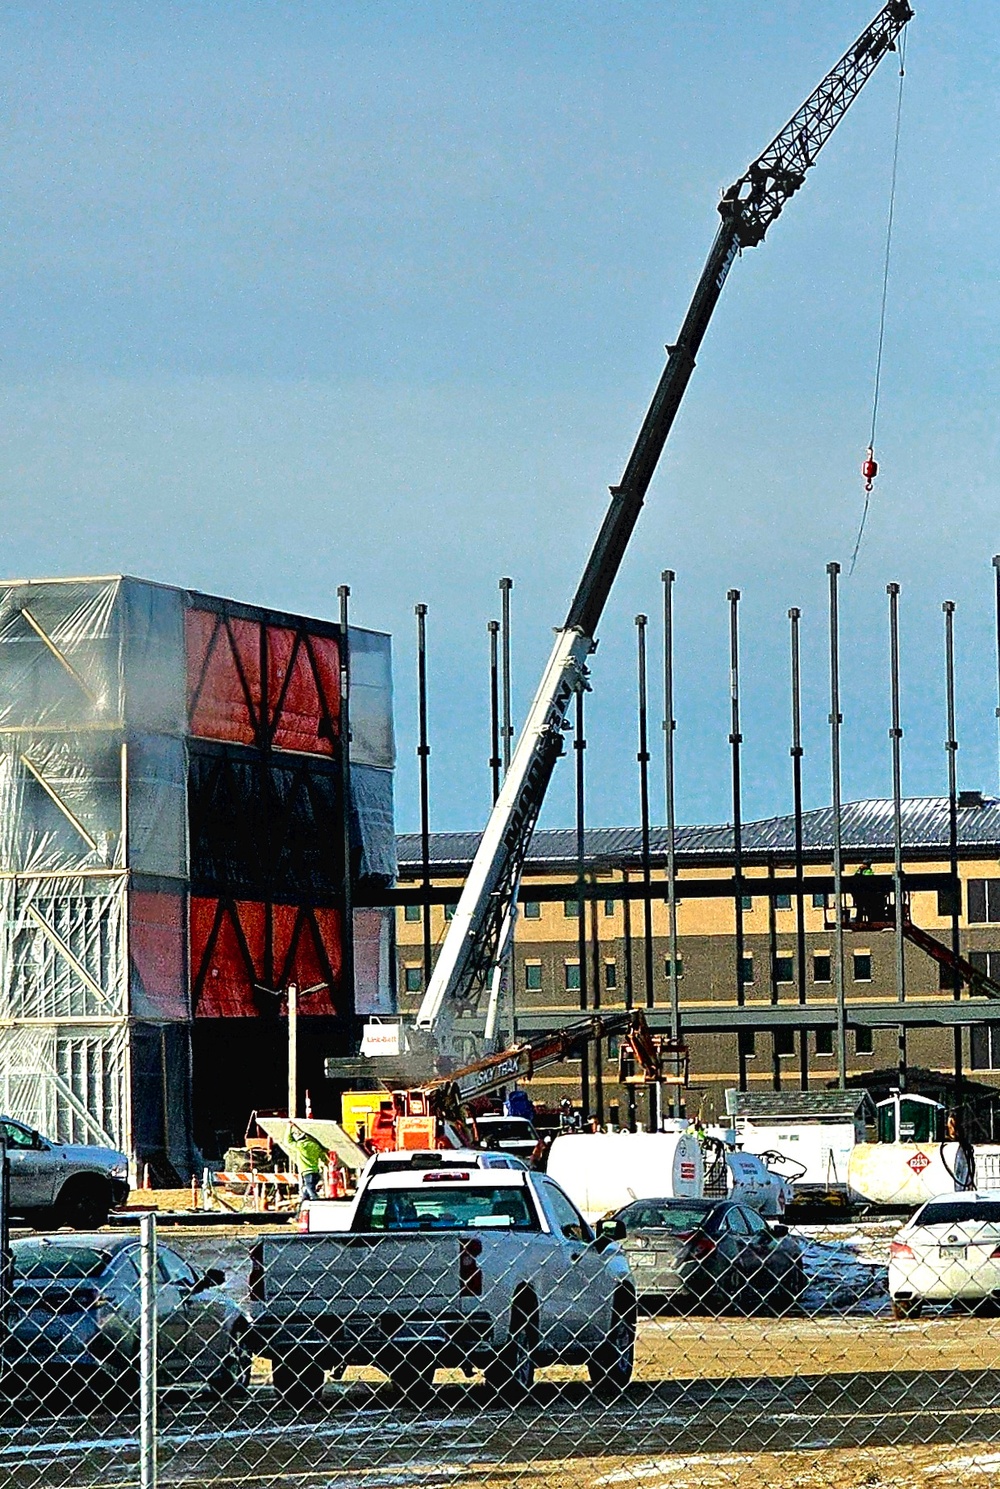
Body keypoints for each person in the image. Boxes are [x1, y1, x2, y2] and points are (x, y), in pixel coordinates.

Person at [287, 1122, 326, 1202]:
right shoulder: (315, 1145)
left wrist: (289, 1128)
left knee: (310, 1189)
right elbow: (323, 1157)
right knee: (307, 1191)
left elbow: (288, 1142)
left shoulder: (300, 1146)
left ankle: (316, 1202)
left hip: (307, 1172)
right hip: (315, 1172)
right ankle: (304, 1202)